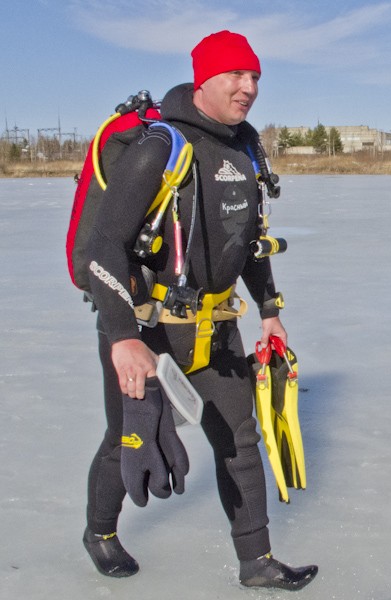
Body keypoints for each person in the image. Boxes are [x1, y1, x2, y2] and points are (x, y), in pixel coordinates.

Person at [81, 31, 318, 590]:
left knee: (239, 440)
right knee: (126, 442)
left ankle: (256, 562)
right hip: (147, 332)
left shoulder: (246, 147)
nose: (249, 87)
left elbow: (250, 239)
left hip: (217, 331)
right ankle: (100, 533)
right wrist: (121, 337)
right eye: (236, 75)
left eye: (255, 76)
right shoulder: (161, 146)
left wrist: (268, 309)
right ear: (205, 78)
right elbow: (103, 245)